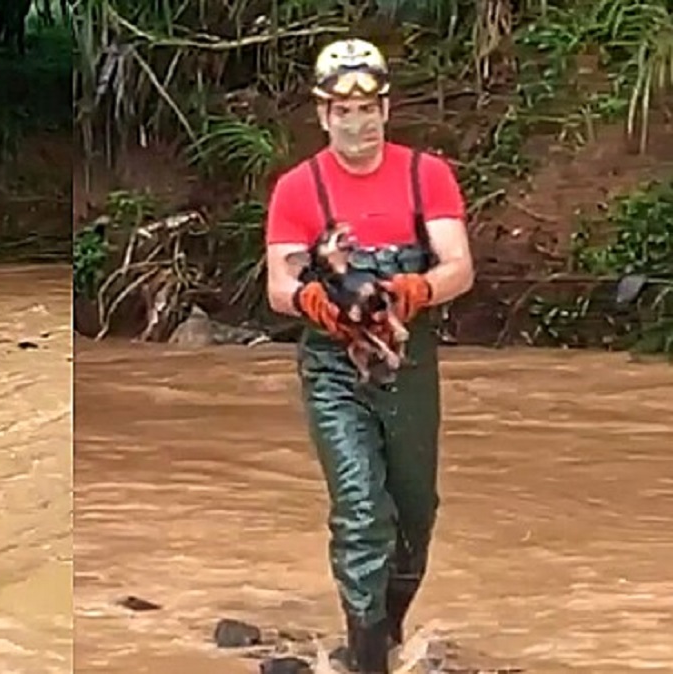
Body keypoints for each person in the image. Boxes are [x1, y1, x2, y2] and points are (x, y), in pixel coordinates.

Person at [263, 39, 476, 673]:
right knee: (361, 508)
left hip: (408, 362)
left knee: (415, 512)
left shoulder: (425, 175)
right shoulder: (299, 189)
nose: (357, 125)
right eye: (342, 112)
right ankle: (365, 658)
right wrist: (318, 305)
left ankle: (385, 630)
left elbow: (459, 264)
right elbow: (278, 284)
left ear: (385, 108)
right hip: (333, 366)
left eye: (368, 110)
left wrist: (415, 289)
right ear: (323, 115)